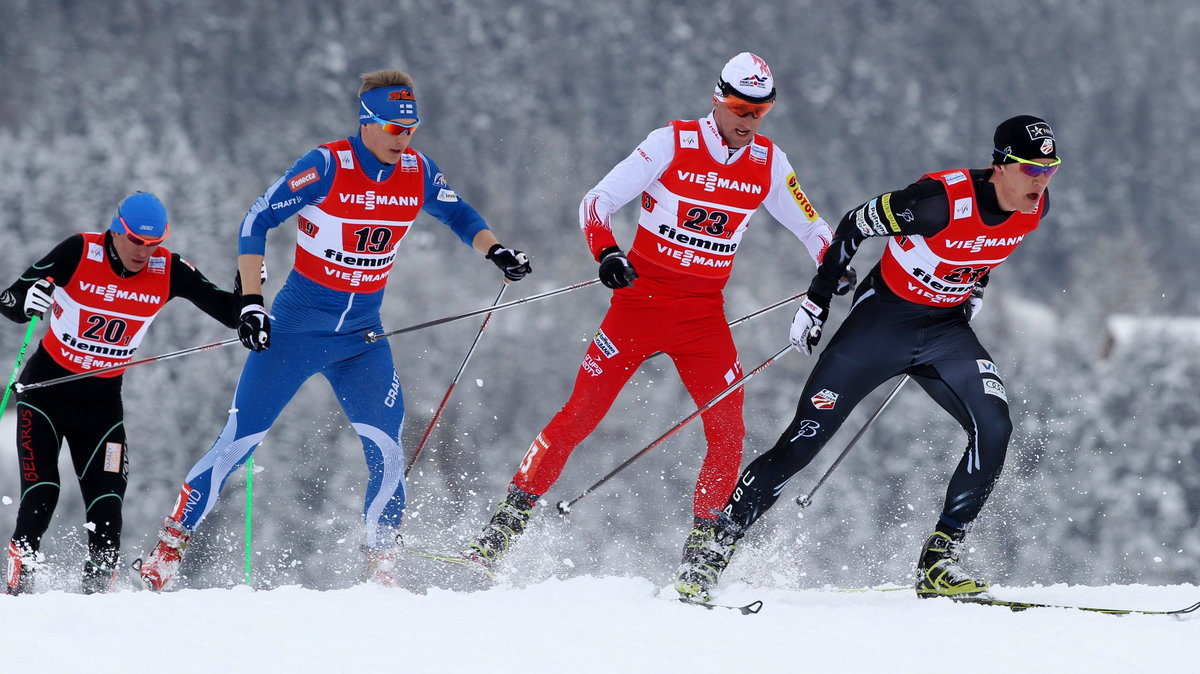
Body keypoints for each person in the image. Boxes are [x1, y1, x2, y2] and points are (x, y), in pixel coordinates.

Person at [459, 53, 848, 599]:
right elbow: (596, 202)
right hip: (638, 306)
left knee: (728, 429)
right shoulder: (670, 143)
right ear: (717, 99)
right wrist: (608, 252)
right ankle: (501, 531)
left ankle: (702, 556)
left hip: (702, 318)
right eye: (738, 107)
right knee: (580, 416)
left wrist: (833, 267)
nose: (747, 120)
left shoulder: (769, 162)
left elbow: (813, 228)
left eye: (760, 111)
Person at [136, 69, 532, 592]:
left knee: (387, 447)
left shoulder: (416, 171)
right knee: (239, 442)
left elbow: (460, 215)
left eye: (411, 129)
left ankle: (381, 570)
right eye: (394, 128)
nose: (404, 139)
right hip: (296, 332)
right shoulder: (327, 165)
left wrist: (496, 251)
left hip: (361, 339)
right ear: (367, 122)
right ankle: (169, 548)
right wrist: (251, 303)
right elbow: (256, 219)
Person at [686, 115, 1060, 603]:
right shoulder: (936, 202)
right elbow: (854, 223)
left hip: (945, 331)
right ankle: (712, 549)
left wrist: (973, 284)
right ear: (1001, 166)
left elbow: (982, 248)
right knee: (803, 441)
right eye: (1032, 168)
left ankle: (938, 562)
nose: (1041, 181)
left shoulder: (1037, 207)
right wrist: (817, 300)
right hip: (879, 327)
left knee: (995, 426)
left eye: (1050, 169)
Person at [1, 192, 242, 595]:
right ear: (116, 231)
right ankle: (18, 590)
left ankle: (99, 598)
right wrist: (27, 301)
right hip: (45, 393)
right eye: (135, 241)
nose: (144, 252)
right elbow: (9, 302)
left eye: (153, 244)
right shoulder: (79, 251)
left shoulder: (169, 269)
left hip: (101, 405)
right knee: (42, 492)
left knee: (107, 504)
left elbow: (229, 311)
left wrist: (249, 296)